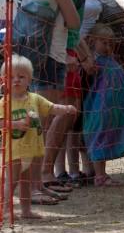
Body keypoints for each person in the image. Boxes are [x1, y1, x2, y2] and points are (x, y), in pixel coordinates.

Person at [16, 0, 81, 202]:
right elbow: (74, 20)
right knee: (38, 126)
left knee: (36, 124)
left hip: (30, 55)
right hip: (51, 57)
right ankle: (32, 188)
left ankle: (36, 184)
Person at [43, 0, 99, 190]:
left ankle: (49, 174)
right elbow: (60, 21)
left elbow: (73, 25)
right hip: (58, 53)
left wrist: (84, 54)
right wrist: (73, 54)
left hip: (70, 51)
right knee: (61, 112)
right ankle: (46, 174)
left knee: (70, 112)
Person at [1, 55, 76, 219]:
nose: (16, 80)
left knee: (26, 183)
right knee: (11, 181)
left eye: (21, 76)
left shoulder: (35, 98)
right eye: (11, 77)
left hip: (32, 150)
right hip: (14, 151)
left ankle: (26, 210)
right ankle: (5, 209)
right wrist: (16, 124)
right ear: (3, 81)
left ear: (30, 79)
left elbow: (52, 107)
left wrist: (66, 109)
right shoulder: (4, 102)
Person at [82, 23, 124, 186]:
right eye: (104, 43)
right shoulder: (93, 61)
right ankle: (99, 176)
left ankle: (102, 173)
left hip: (113, 108)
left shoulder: (110, 60)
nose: (108, 47)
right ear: (92, 41)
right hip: (100, 108)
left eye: (111, 43)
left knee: (107, 136)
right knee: (99, 136)